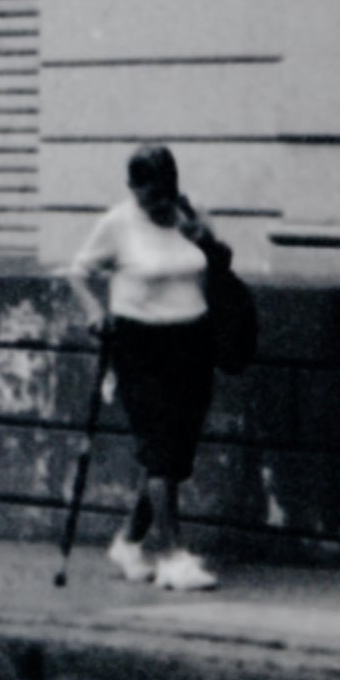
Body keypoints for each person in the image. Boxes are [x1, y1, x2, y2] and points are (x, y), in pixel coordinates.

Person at [68, 140, 224, 593]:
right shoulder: (117, 223)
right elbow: (77, 272)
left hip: (192, 341)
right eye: (151, 195)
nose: (161, 204)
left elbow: (213, 267)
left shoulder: (189, 214)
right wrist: (95, 313)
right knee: (161, 448)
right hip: (141, 345)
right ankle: (172, 555)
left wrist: (204, 237)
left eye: (167, 192)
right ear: (133, 189)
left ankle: (129, 542)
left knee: (174, 455)